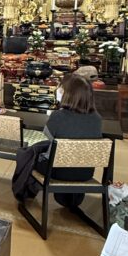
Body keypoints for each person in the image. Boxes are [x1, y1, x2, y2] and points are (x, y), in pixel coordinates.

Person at [39, 73, 103, 205]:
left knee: (28, 155)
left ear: (67, 94)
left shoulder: (58, 116)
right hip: (85, 172)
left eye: (61, 88)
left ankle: (25, 194)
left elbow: (44, 141)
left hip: (57, 171)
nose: (58, 90)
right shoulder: (97, 119)